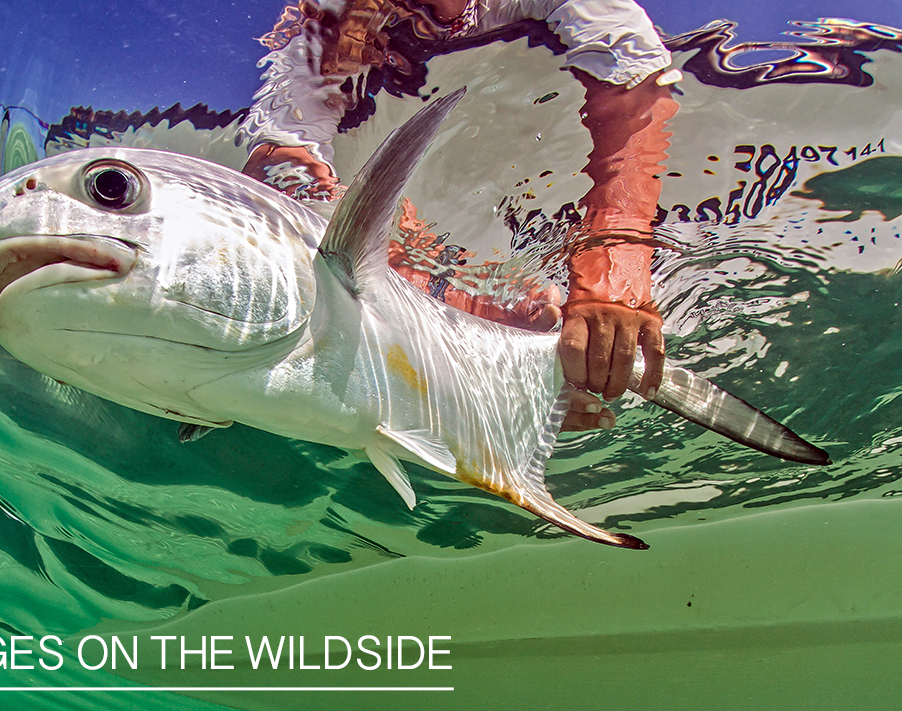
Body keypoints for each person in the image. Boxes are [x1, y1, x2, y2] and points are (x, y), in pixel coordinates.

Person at [240, 0, 677, 431]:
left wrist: (612, 262)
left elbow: (635, 84)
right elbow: (281, 159)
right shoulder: (326, 18)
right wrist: (451, 300)